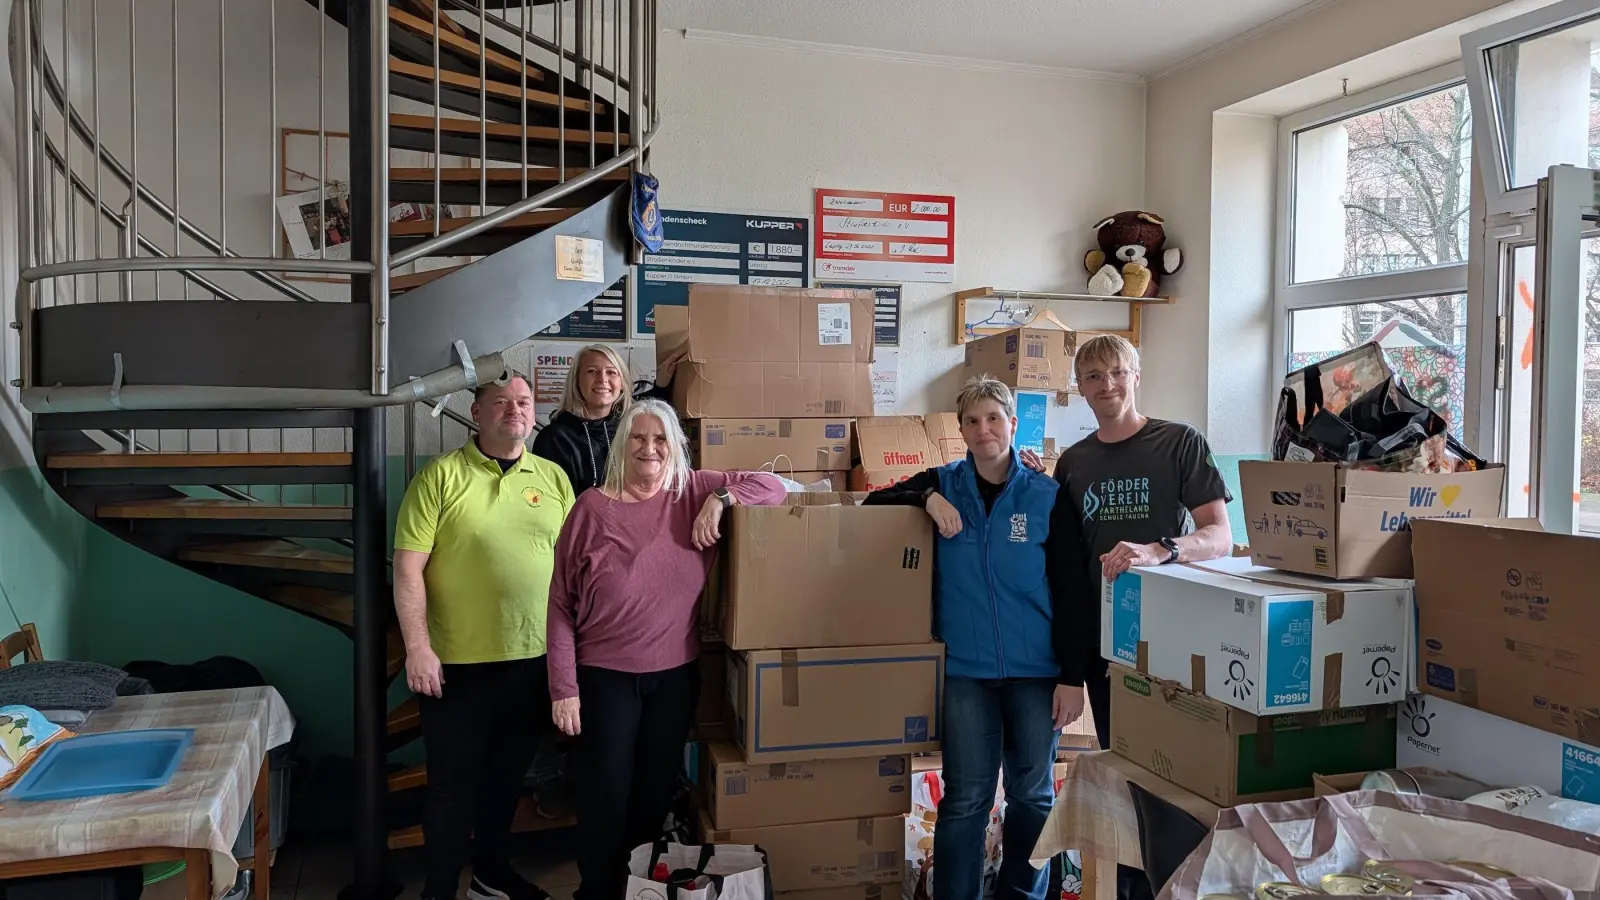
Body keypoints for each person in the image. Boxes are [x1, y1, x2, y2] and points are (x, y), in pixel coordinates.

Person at [545, 398, 785, 900]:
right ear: (622, 445)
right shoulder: (591, 507)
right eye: (638, 438)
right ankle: (596, 889)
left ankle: (639, 889)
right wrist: (563, 688)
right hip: (604, 677)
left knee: (653, 794)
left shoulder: (692, 491)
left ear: (675, 446)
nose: (649, 448)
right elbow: (561, 605)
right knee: (605, 794)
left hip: (674, 677)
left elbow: (774, 486)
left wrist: (721, 499)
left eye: (660, 439)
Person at [863, 375, 1085, 900]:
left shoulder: (1046, 495)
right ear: (959, 428)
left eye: (994, 418)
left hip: (1037, 673)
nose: (983, 429)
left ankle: (1021, 894)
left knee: (1032, 796)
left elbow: (1073, 594)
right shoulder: (945, 480)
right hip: (966, 672)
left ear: (1012, 422)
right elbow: (873, 502)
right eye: (971, 420)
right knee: (966, 799)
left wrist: (1072, 678)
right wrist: (927, 498)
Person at [1051, 334, 1231, 900]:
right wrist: (1071, 670)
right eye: (1093, 378)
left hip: (1172, 648)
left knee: (1175, 787)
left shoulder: (1178, 443)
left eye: (1116, 372)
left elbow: (1220, 537)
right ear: (1079, 389)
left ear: (1136, 374)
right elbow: (1071, 574)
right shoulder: (1074, 462)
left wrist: (1162, 549)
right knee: (1124, 782)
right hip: (1109, 653)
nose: (1107, 386)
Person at [393, 372, 575, 900]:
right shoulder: (439, 478)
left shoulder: (554, 478)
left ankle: (491, 876)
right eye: (501, 402)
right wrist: (418, 648)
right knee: (451, 789)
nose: (514, 410)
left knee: (506, 783)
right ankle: (441, 889)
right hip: (456, 668)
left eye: (522, 401)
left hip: (532, 662)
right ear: (477, 413)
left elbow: (572, 572)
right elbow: (407, 571)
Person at [532, 343, 685, 493]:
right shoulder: (554, 439)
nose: (602, 379)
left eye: (611, 372)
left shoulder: (632, 428)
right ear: (576, 381)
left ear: (622, 384)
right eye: (592, 371)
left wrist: (662, 386)